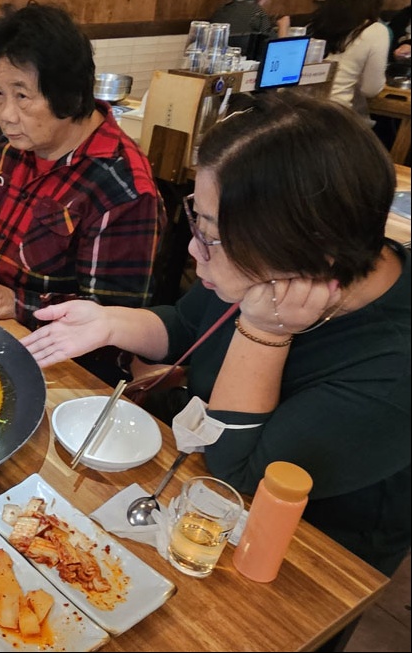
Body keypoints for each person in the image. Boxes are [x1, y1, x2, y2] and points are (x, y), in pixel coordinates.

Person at [22, 91, 410, 578]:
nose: (193, 246)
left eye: (211, 233)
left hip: (308, 562)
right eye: (198, 219)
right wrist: (109, 323)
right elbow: (186, 325)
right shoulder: (274, 269)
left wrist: (265, 331)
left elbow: (239, 471)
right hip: (197, 501)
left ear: (311, 252)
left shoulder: (393, 365)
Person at [0, 1, 164, 385]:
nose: (5, 114)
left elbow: (112, 318)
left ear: (68, 94)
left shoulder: (121, 187)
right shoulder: (11, 148)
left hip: (65, 366)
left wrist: (14, 303)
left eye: (22, 96)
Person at [308, 0, 389, 120]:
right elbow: (371, 89)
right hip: (334, 117)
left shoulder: (317, 21)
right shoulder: (375, 31)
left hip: (299, 110)